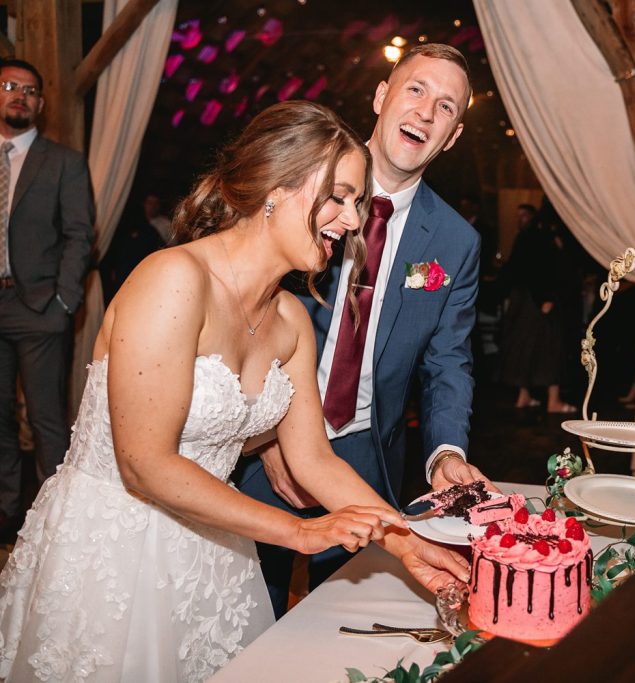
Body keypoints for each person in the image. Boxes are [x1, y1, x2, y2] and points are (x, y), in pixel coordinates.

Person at [0, 100, 470, 682]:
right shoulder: (173, 279)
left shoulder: (293, 319)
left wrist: (404, 541)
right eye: (340, 196)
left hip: (217, 559)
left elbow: (313, 459)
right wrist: (301, 532)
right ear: (276, 186)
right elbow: (144, 463)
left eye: (355, 201)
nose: (352, 221)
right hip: (113, 556)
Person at [234, 43, 490, 619]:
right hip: (263, 445)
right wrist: (273, 439)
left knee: (344, 622)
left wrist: (446, 451)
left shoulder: (455, 242)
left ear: (452, 136)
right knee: (246, 612)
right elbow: (242, 311)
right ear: (381, 96)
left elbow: (450, 360)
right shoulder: (299, 188)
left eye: (445, 107)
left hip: (367, 455)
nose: (426, 112)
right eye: (417, 90)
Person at [0, 58, 94, 542]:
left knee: (46, 421)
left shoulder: (63, 161)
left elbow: (81, 235)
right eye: (10, 86)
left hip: (39, 307)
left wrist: (64, 301)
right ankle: (4, 515)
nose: (21, 95)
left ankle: (51, 526)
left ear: (40, 103)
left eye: (31, 90)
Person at [498, 198, 578, 413]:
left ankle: (524, 397)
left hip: (525, 298)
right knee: (551, 348)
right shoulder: (543, 234)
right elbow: (543, 268)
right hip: (537, 299)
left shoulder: (529, 234)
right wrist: (546, 297)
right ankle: (553, 401)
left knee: (527, 347)